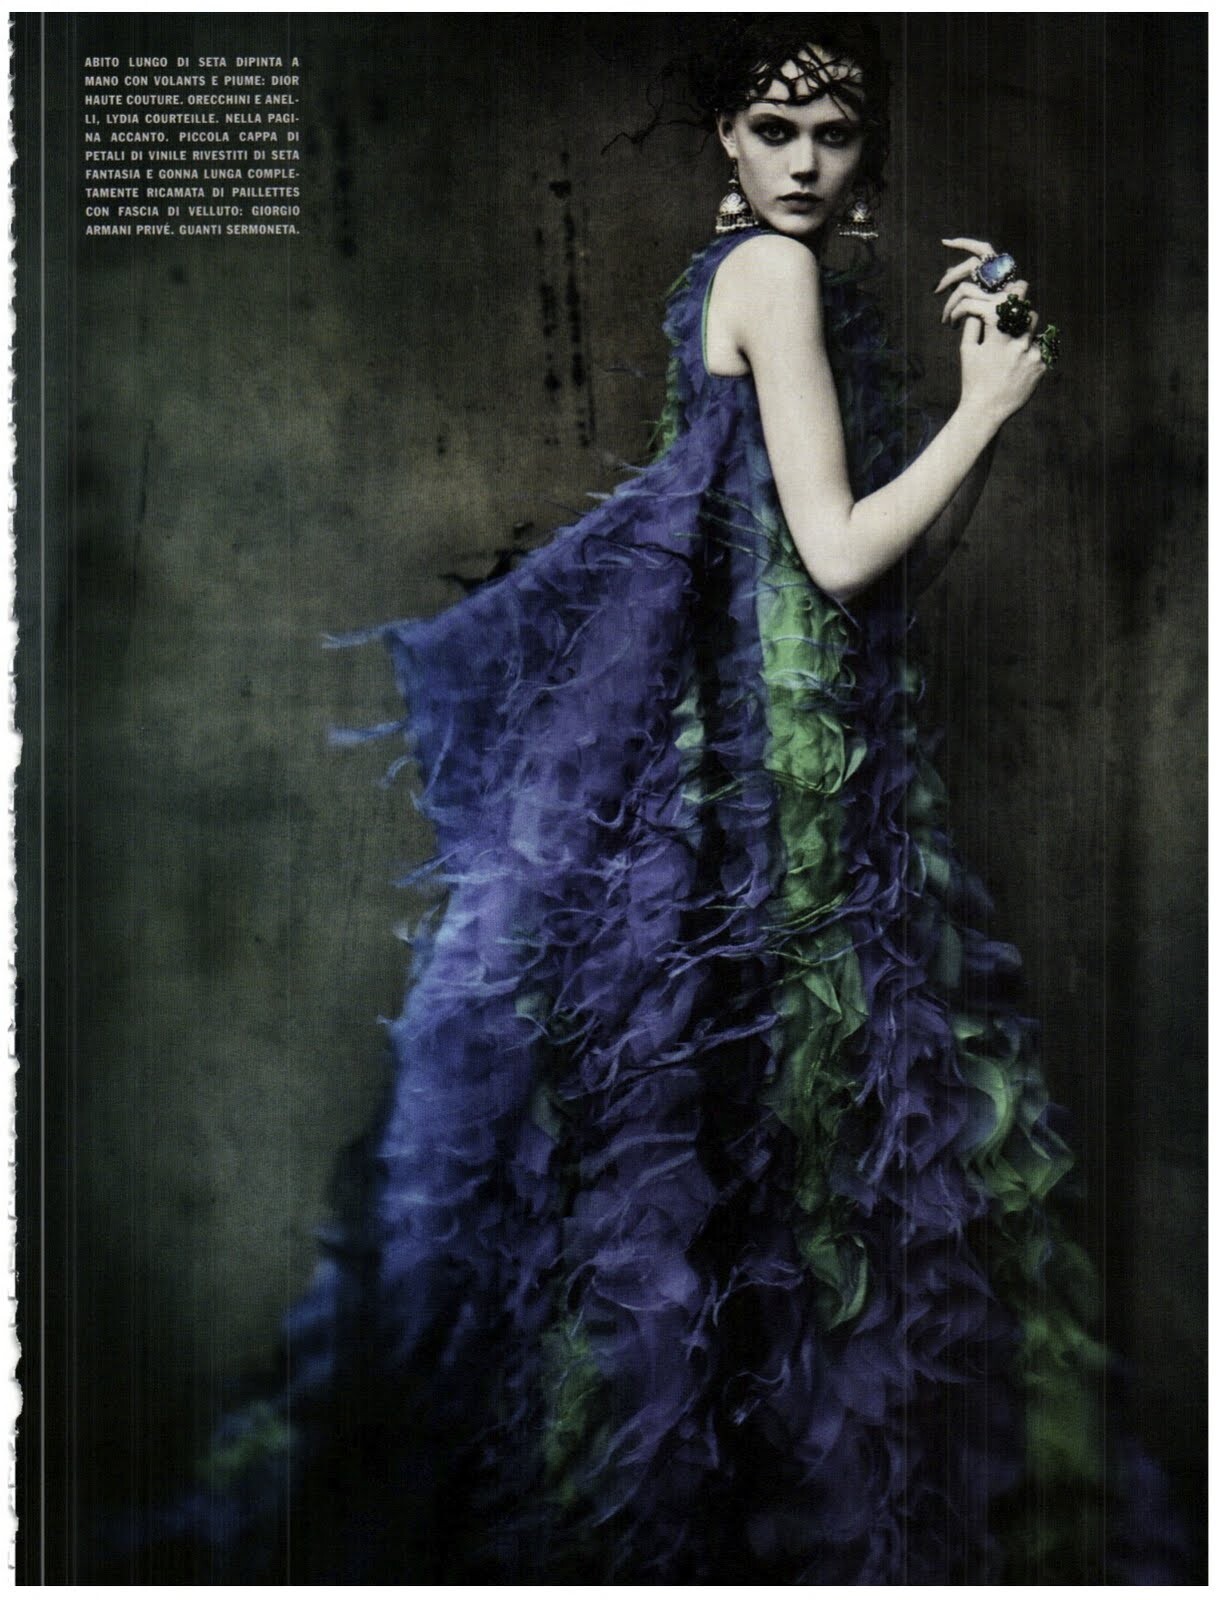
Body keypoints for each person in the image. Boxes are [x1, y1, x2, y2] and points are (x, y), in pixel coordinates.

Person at [121, 16, 1182, 1585]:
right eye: (775, 130)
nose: (806, 163)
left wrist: (978, 407)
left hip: (801, 766)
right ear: (724, 144)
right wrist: (989, 408)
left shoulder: (762, 279)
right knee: (799, 1156)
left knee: (759, 1158)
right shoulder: (773, 275)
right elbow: (838, 555)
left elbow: (874, 582)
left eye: (834, 133)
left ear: (869, 148)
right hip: (772, 797)